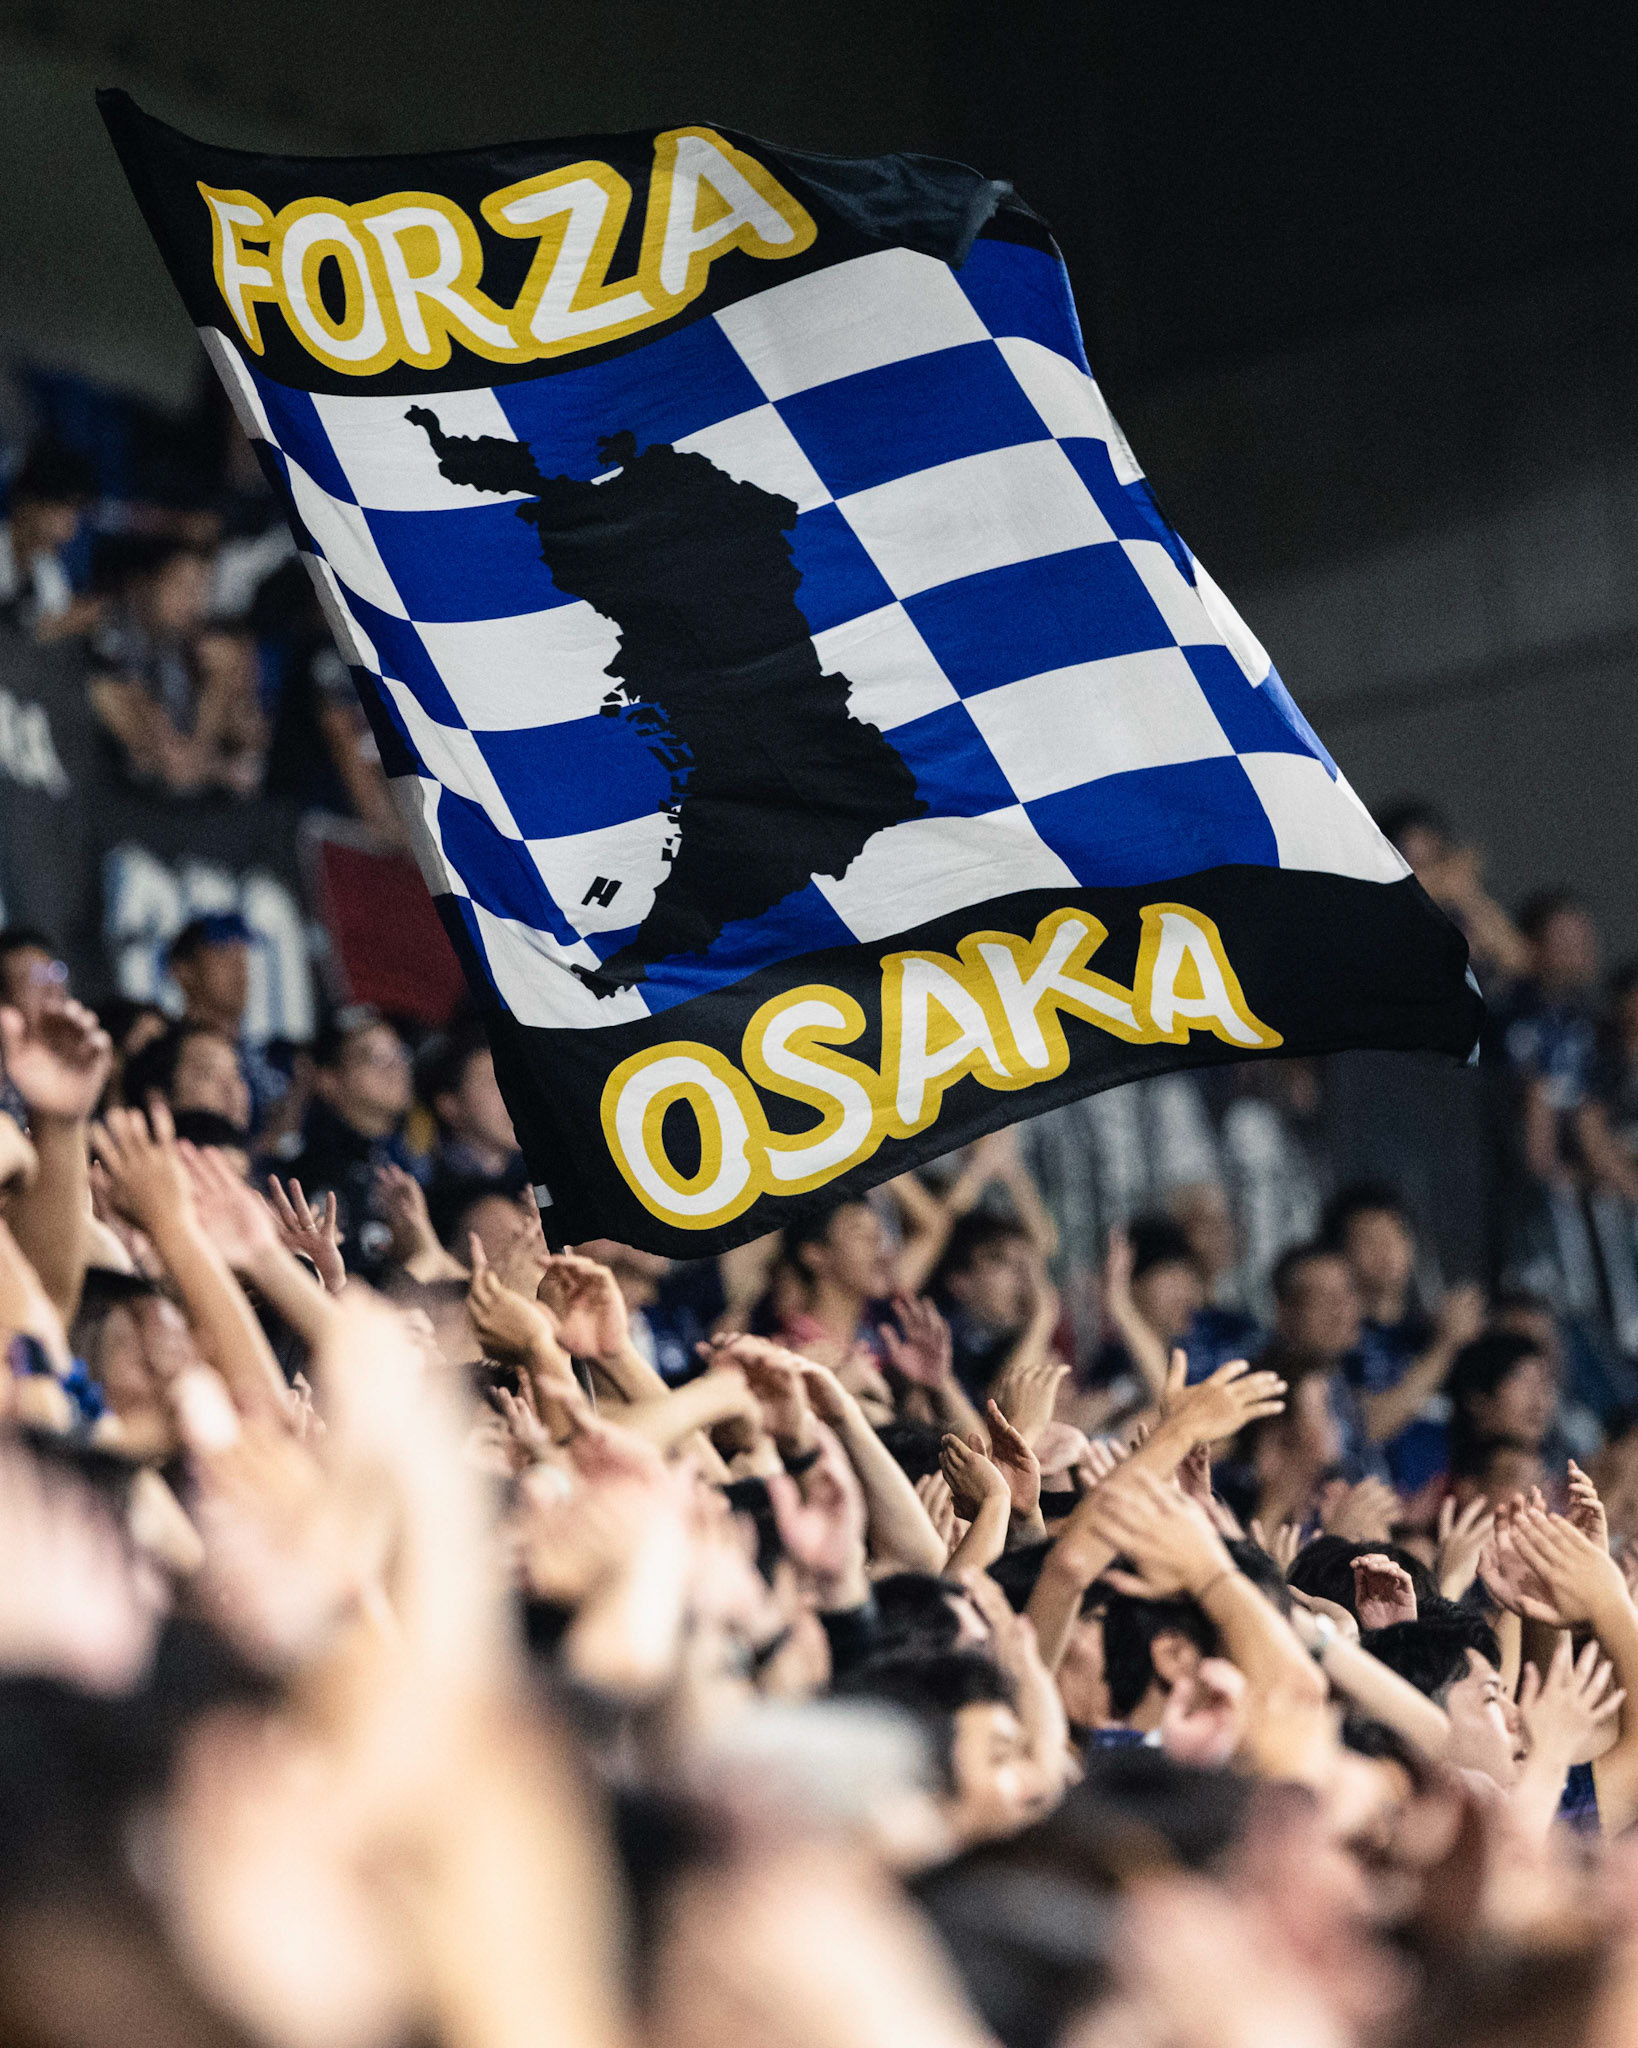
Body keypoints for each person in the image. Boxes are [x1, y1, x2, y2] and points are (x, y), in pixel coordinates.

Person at [1322, 1180, 1486, 1489]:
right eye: (1369, 1240)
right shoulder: (1339, 1346)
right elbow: (1365, 1426)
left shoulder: (1430, 1333)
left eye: (1395, 1235)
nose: (1386, 1250)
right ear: (1340, 1255)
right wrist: (1444, 1348)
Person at [280, 1006, 417, 1276]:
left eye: (399, 1054)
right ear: (329, 1080)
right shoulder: (311, 1172)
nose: (396, 1068)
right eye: (375, 1058)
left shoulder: (417, 1157)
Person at [0, 438, 99, 641]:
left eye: (76, 514)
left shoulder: (50, 577)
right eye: (63, 510)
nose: (69, 530)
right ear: (29, 503)